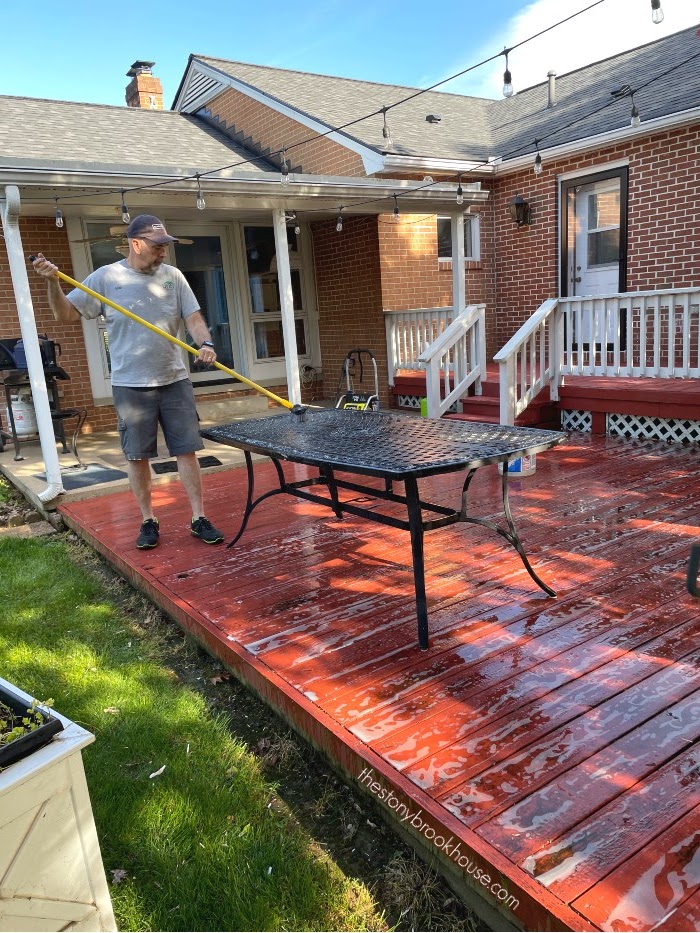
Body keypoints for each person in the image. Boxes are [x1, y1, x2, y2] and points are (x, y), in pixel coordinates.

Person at [32, 214, 225, 550]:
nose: (164, 251)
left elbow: (192, 317)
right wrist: (52, 283)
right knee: (136, 457)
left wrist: (204, 343)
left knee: (187, 451)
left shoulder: (173, 277)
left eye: (166, 245)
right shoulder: (105, 278)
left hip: (174, 379)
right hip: (131, 384)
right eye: (157, 245)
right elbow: (65, 315)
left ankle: (199, 518)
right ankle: (148, 519)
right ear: (137, 243)